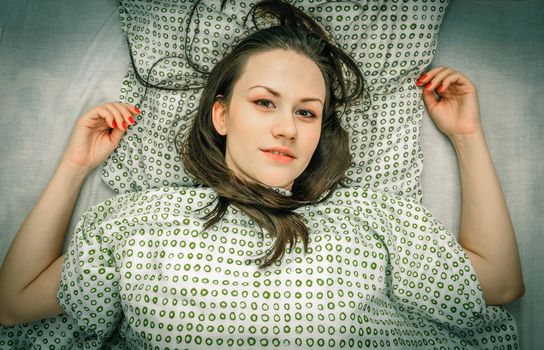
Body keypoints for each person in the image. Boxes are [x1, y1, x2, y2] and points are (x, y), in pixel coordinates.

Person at [0, 0, 524, 348]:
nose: (287, 129)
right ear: (221, 114)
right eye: (265, 102)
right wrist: (74, 168)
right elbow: (14, 303)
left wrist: (467, 137)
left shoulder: (370, 215)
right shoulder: (139, 217)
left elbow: (499, 283)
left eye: (306, 111)